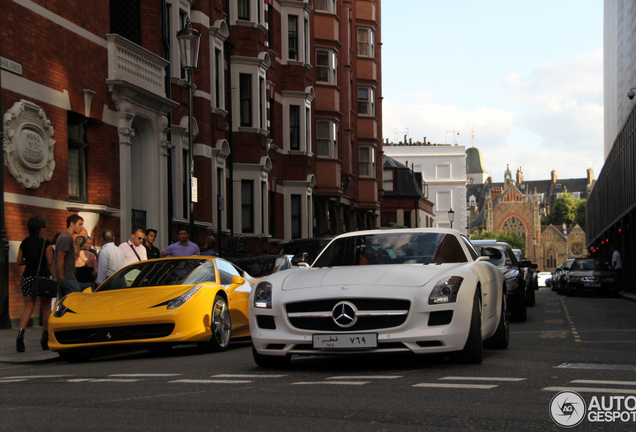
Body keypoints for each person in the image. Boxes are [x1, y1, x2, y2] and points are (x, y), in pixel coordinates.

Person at [16, 217, 56, 352]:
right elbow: (50, 263)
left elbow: (19, 261)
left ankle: (20, 335)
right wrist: (56, 278)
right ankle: (45, 338)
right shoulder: (46, 243)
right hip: (43, 278)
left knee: (28, 307)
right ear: (40, 228)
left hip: (27, 277)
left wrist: (30, 260)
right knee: (46, 308)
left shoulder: (24, 242)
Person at [56, 214, 85, 297]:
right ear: (71, 224)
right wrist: (61, 277)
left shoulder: (63, 236)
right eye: (80, 224)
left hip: (65, 277)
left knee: (64, 304)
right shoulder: (67, 237)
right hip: (67, 277)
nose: (82, 227)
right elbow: (60, 256)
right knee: (76, 299)